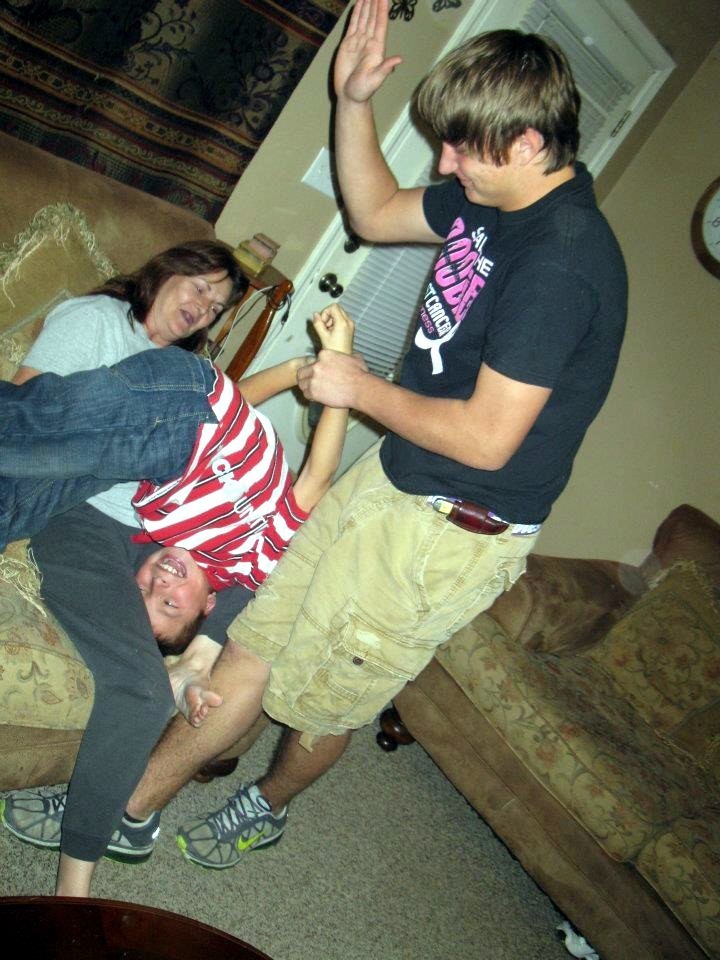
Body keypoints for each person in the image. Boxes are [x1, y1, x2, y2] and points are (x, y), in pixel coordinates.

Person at [8, 0, 629, 874]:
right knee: (257, 637)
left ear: (527, 144)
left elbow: (489, 440)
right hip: (397, 473)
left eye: (460, 149)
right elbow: (373, 210)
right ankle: (128, 811)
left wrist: (356, 387)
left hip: (454, 527)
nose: (445, 165)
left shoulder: (562, 260)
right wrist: (352, 99)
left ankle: (267, 803)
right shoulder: (489, 200)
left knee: (324, 696)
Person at [0, 304, 355, 893]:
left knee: (23, 462)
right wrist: (326, 369)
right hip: (187, 396)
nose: (161, 581)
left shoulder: (159, 519)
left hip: (169, 420)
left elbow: (219, 418)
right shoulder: (254, 558)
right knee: (20, 435)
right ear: (206, 606)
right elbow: (317, 475)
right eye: (171, 603)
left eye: (145, 588)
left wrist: (185, 664)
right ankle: (73, 891)